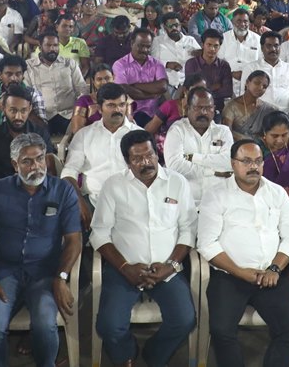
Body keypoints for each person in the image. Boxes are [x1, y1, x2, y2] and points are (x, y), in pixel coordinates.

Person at [90, 130, 197, 367]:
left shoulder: (177, 182)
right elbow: (99, 233)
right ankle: (126, 355)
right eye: (137, 158)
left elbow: (188, 229)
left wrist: (171, 266)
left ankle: (154, 356)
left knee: (184, 319)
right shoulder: (113, 185)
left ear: (157, 154)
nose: (145, 162)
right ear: (127, 161)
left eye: (149, 155)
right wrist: (125, 268)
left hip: (167, 269)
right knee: (109, 325)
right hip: (124, 269)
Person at [197, 138, 289, 367]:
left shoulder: (276, 193)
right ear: (233, 163)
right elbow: (206, 243)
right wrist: (239, 272)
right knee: (221, 330)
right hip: (230, 276)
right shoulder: (216, 195)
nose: (253, 166)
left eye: (257, 161)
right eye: (246, 161)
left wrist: (275, 268)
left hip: (270, 275)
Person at [0, 134, 82, 367]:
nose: (35, 166)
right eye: (27, 161)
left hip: (45, 272)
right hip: (6, 272)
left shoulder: (62, 191)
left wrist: (61, 277)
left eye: (39, 159)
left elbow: (74, 240)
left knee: (45, 324)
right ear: (15, 164)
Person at [60, 83, 140, 226]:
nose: (118, 110)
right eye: (111, 105)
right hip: (93, 202)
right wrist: (79, 202)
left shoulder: (138, 135)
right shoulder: (84, 135)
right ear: (99, 108)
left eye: (121, 105)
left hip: (131, 203)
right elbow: (69, 172)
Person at [163, 87, 234, 206]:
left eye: (208, 108)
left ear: (214, 109)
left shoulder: (223, 132)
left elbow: (228, 162)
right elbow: (175, 166)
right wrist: (213, 172)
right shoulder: (177, 130)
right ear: (187, 109)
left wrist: (193, 157)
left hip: (218, 202)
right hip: (186, 202)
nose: (204, 112)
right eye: (198, 108)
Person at [113, 28, 168, 126]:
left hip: (154, 116)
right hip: (129, 115)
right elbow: (124, 90)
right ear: (132, 43)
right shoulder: (120, 65)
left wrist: (134, 85)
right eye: (141, 46)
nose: (144, 50)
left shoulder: (157, 64)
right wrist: (151, 95)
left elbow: (162, 86)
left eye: (148, 47)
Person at [184, 28, 234, 112]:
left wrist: (203, 89)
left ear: (220, 47)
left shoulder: (224, 65)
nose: (212, 49)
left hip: (217, 108)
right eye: (209, 45)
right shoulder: (191, 64)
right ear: (202, 45)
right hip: (196, 108)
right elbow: (191, 91)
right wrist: (215, 87)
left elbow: (227, 92)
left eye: (216, 46)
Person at [221, 70, 277, 143]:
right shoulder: (232, 106)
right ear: (247, 82)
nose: (260, 88)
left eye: (264, 86)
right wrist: (248, 140)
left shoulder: (268, 109)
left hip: (260, 146)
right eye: (257, 83)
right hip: (237, 146)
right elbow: (226, 132)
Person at [218, 9, 262, 97]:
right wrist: (231, 73)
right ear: (232, 22)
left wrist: (247, 75)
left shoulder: (258, 40)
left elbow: (261, 63)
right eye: (238, 21)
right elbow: (218, 62)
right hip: (227, 83)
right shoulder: (223, 38)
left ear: (249, 23)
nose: (242, 24)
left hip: (252, 86)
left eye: (245, 21)